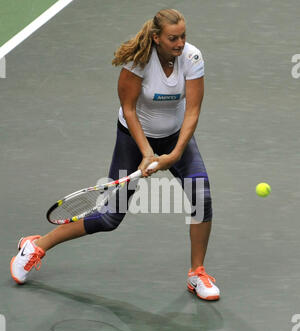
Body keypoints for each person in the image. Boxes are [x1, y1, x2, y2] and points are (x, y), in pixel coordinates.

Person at [10, 9, 220, 301]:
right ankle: (36, 246)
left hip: (176, 136)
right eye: (173, 38)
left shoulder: (192, 58)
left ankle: (197, 273)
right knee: (109, 217)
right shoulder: (139, 62)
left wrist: (174, 153)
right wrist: (147, 152)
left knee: (202, 197)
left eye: (183, 36)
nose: (181, 43)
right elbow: (129, 109)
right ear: (157, 38)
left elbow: (193, 110)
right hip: (133, 138)